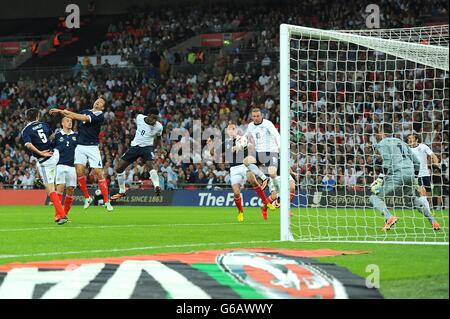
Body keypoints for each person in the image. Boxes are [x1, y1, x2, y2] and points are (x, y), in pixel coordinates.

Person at [370, 124, 440, 231]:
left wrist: (379, 179)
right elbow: (416, 161)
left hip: (397, 174)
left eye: (379, 131)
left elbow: (387, 162)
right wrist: (415, 177)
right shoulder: (401, 142)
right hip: (410, 173)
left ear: (381, 132)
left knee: (374, 197)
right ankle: (433, 221)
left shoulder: (382, 143)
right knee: (411, 198)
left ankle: (389, 218)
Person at [49, 96, 113, 212]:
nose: (97, 103)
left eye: (100, 103)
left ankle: (106, 201)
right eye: (97, 100)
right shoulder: (85, 111)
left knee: (99, 173)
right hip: (80, 146)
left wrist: (62, 111)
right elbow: (72, 117)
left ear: (102, 107)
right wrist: (61, 112)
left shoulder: (99, 115)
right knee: (79, 170)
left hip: (92, 146)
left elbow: (79, 117)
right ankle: (87, 198)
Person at [21, 108, 68, 224]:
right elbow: (51, 136)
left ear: (27, 118)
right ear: (37, 116)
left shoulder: (26, 130)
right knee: (54, 185)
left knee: (50, 190)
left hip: (45, 160)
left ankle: (62, 215)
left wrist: (40, 152)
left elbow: (28, 145)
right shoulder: (43, 124)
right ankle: (58, 216)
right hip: (55, 153)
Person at [110, 108, 163, 200]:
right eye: (153, 118)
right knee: (119, 168)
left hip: (147, 147)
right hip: (135, 147)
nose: (154, 121)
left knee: (150, 165)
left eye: (156, 119)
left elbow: (159, 138)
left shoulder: (159, 126)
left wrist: (161, 148)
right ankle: (122, 191)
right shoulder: (140, 118)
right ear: (148, 115)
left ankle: (157, 186)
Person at [407, 133, 440, 207]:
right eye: (408, 138)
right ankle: (427, 208)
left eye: (411, 138)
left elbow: (433, 155)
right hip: (415, 174)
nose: (409, 140)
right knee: (421, 191)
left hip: (425, 173)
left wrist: (436, 163)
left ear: (417, 139)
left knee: (428, 193)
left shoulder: (423, 146)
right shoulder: (407, 149)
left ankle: (429, 205)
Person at [54, 116, 78, 217]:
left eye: (71, 121)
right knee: (60, 188)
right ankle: (58, 214)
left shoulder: (76, 136)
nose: (69, 123)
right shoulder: (57, 135)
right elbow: (52, 149)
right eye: (67, 121)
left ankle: (65, 213)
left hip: (72, 166)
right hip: (60, 165)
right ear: (62, 123)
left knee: (71, 189)